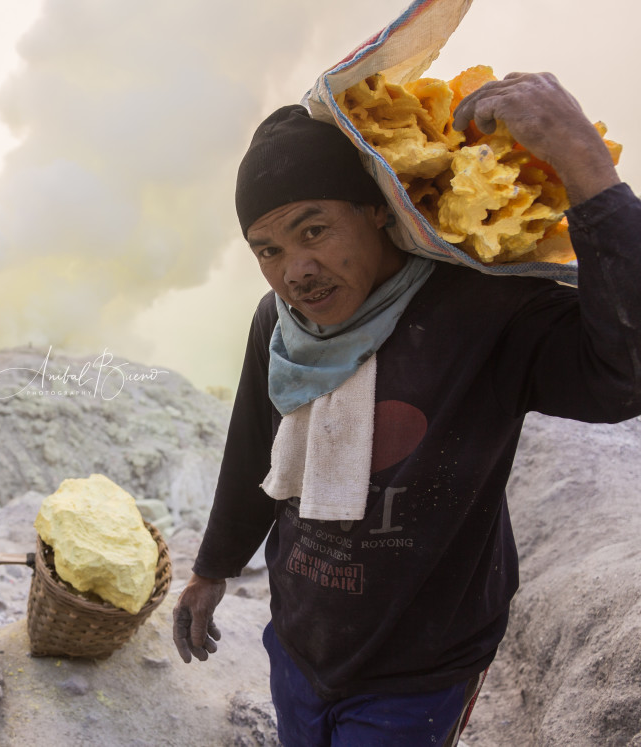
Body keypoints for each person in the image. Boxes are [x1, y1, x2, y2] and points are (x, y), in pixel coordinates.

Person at [172, 72, 641, 746]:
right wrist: (211, 568)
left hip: (418, 672)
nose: (295, 270)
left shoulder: (483, 309)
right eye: (268, 250)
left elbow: (624, 375)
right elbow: (253, 447)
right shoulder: (279, 324)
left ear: (376, 210)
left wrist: (585, 165)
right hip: (304, 645)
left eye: (314, 230)